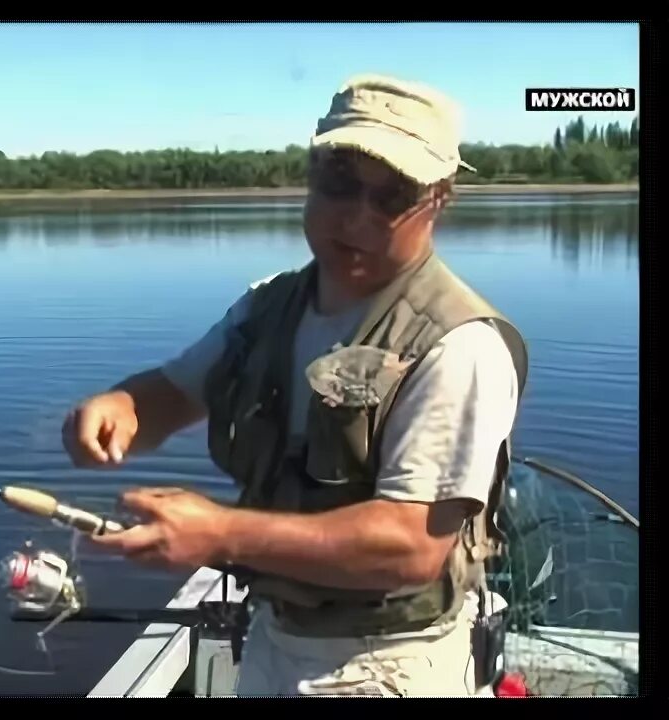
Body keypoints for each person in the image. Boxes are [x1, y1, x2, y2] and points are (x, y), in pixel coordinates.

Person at [61, 73, 529, 697]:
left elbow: (409, 547)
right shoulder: (268, 306)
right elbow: (173, 393)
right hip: (274, 638)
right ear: (311, 172)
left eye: (393, 196)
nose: (358, 216)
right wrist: (118, 406)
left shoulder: (460, 345)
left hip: (386, 663)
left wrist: (220, 532)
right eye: (340, 182)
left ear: (439, 199)